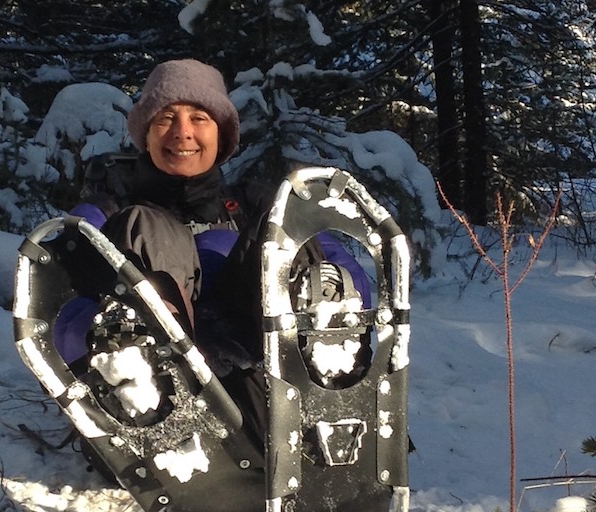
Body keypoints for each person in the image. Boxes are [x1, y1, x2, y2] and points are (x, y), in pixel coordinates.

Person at [57, 59, 370, 439]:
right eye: (166, 118)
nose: (182, 132)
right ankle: (143, 365)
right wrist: (96, 331)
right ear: (146, 134)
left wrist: (341, 288)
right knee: (149, 227)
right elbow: (63, 271)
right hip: (166, 395)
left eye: (199, 118)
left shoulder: (252, 203)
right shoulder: (113, 209)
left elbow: (334, 259)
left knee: (283, 226)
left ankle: (323, 342)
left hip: (261, 355)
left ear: (222, 134)